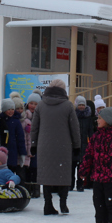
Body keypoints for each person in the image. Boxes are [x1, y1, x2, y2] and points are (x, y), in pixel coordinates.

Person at [30, 79, 81, 215]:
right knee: (63, 174)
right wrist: (77, 145)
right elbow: (74, 128)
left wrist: (33, 144)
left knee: (46, 175)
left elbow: (34, 128)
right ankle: (63, 203)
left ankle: (48, 204)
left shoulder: (40, 105)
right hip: (63, 146)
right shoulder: (68, 106)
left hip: (44, 146)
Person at [0, 98, 26, 177]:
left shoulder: (16, 121)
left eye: (12, 109)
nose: (11, 111)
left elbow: (20, 138)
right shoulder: (0, 120)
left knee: (11, 173)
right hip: (1, 151)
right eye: (8, 109)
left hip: (12, 151)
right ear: (4, 110)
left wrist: (22, 153)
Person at [74, 95, 96, 192]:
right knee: (72, 164)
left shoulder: (88, 118)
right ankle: (70, 183)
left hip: (84, 145)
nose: (81, 107)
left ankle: (80, 183)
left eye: (83, 105)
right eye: (80, 105)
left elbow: (90, 131)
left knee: (82, 166)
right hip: (74, 144)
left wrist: (91, 143)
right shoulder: (73, 116)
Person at [22, 92, 41, 198]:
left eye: (36, 104)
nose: (33, 106)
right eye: (31, 103)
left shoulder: (41, 115)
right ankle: (28, 188)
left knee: (35, 167)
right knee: (27, 168)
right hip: (26, 144)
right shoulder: (24, 115)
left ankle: (36, 188)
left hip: (37, 144)